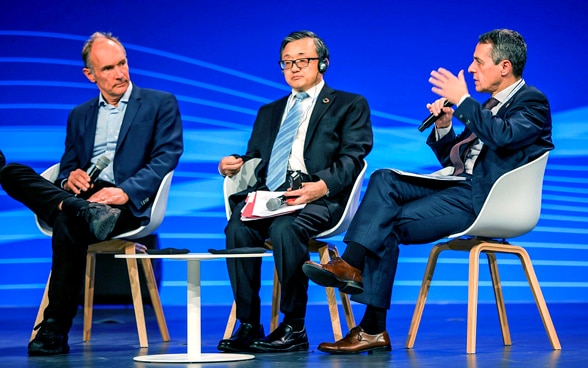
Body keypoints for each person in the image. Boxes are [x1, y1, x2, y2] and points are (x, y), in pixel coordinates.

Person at [302, 28, 554, 354]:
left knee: (384, 222)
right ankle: (365, 308)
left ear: (504, 67)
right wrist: (445, 125)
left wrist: (463, 101)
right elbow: (463, 158)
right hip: (459, 187)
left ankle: (358, 287)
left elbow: (503, 137)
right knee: (384, 180)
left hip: (487, 201)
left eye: (479, 62)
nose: (472, 68)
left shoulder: (531, 102)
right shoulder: (489, 106)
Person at [0, 32, 183, 356]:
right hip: (86, 200)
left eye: (123, 63)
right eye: (109, 68)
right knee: (11, 171)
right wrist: (72, 178)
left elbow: (165, 157)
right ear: (90, 75)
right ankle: (75, 206)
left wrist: (123, 192)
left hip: (126, 203)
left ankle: (54, 327)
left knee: (68, 223)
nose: (120, 73)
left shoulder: (160, 102)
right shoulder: (79, 114)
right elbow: (69, 165)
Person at [216, 30, 373, 353]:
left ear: (323, 63)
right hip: (273, 194)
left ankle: (293, 326)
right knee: (237, 228)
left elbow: (353, 158)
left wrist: (321, 186)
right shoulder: (269, 111)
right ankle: (248, 323)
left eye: (302, 60)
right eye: (287, 62)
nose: (294, 68)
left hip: (318, 196)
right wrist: (233, 164)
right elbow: (257, 156)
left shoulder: (349, 105)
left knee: (285, 227)